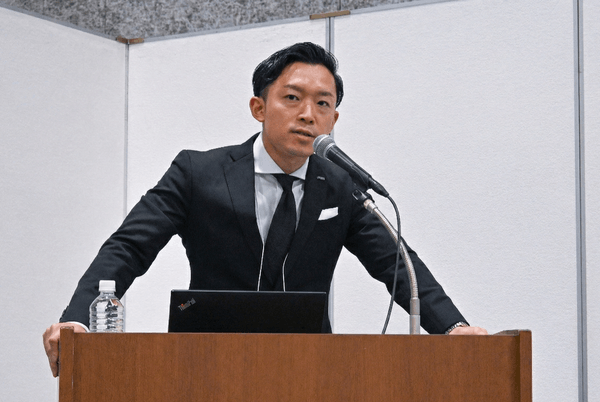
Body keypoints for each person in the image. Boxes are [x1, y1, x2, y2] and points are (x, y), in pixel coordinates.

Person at [43, 42, 487, 377]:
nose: (308, 114)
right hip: (204, 365)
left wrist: (454, 328)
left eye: (323, 103)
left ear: (334, 120)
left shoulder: (341, 185)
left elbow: (397, 264)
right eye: (292, 98)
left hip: (308, 369)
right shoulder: (198, 173)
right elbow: (128, 247)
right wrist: (76, 319)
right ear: (259, 107)